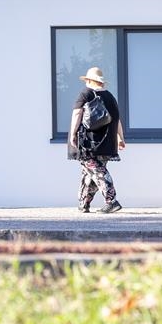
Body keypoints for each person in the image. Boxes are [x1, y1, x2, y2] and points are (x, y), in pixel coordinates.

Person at [67, 66, 125, 213]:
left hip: (88, 142)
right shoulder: (111, 97)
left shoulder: (85, 94)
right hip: (107, 143)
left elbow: (76, 115)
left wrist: (72, 134)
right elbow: (117, 120)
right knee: (89, 174)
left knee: (97, 171)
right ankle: (84, 203)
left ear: (89, 80)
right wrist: (120, 138)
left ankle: (111, 201)